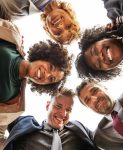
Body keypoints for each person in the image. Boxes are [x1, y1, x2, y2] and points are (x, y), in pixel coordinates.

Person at [0, 18, 72, 147]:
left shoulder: (14, 102)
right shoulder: (12, 36)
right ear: (43, 56)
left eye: (51, 79)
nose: (47, 75)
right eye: (50, 67)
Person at [3, 88, 97, 150]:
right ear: (48, 105)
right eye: (58, 106)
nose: (63, 114)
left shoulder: (78, 130)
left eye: (68, 110)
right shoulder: (24, 125)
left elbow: (103, 138)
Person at [76, 79, 123, 150]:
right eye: (88, 100)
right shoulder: (99, 138)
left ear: (104, 87)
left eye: (95, 91)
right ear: (88, 107)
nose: (94, 99)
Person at [0, 0, 80, 44]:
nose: (60, 26)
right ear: (70, 14)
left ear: (49, 31)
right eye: (68, 26)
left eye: (58, 33)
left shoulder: (12, 14)